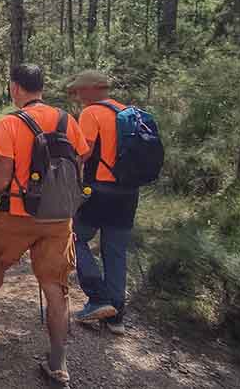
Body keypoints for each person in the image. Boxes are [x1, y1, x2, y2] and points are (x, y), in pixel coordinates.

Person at [0, 64, 89, 388]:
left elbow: (1, 178)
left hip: (17, 212)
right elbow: (80, 162)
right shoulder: (66, 120)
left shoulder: (10, 123)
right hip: (58, 217)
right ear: (41, 87)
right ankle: (59, 365)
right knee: (56, 289)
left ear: (15, 88)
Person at [67, 70, 140, 335]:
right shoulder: (130, 112)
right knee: (116, 252)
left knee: (73, 236)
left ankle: (98, 297)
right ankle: (116, 317)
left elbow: (82, 153)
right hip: (129, 193)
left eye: (79, 91)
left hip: (100, 190)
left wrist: (68, 182)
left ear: (93, 89)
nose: (77, 96)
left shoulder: (92, 113)